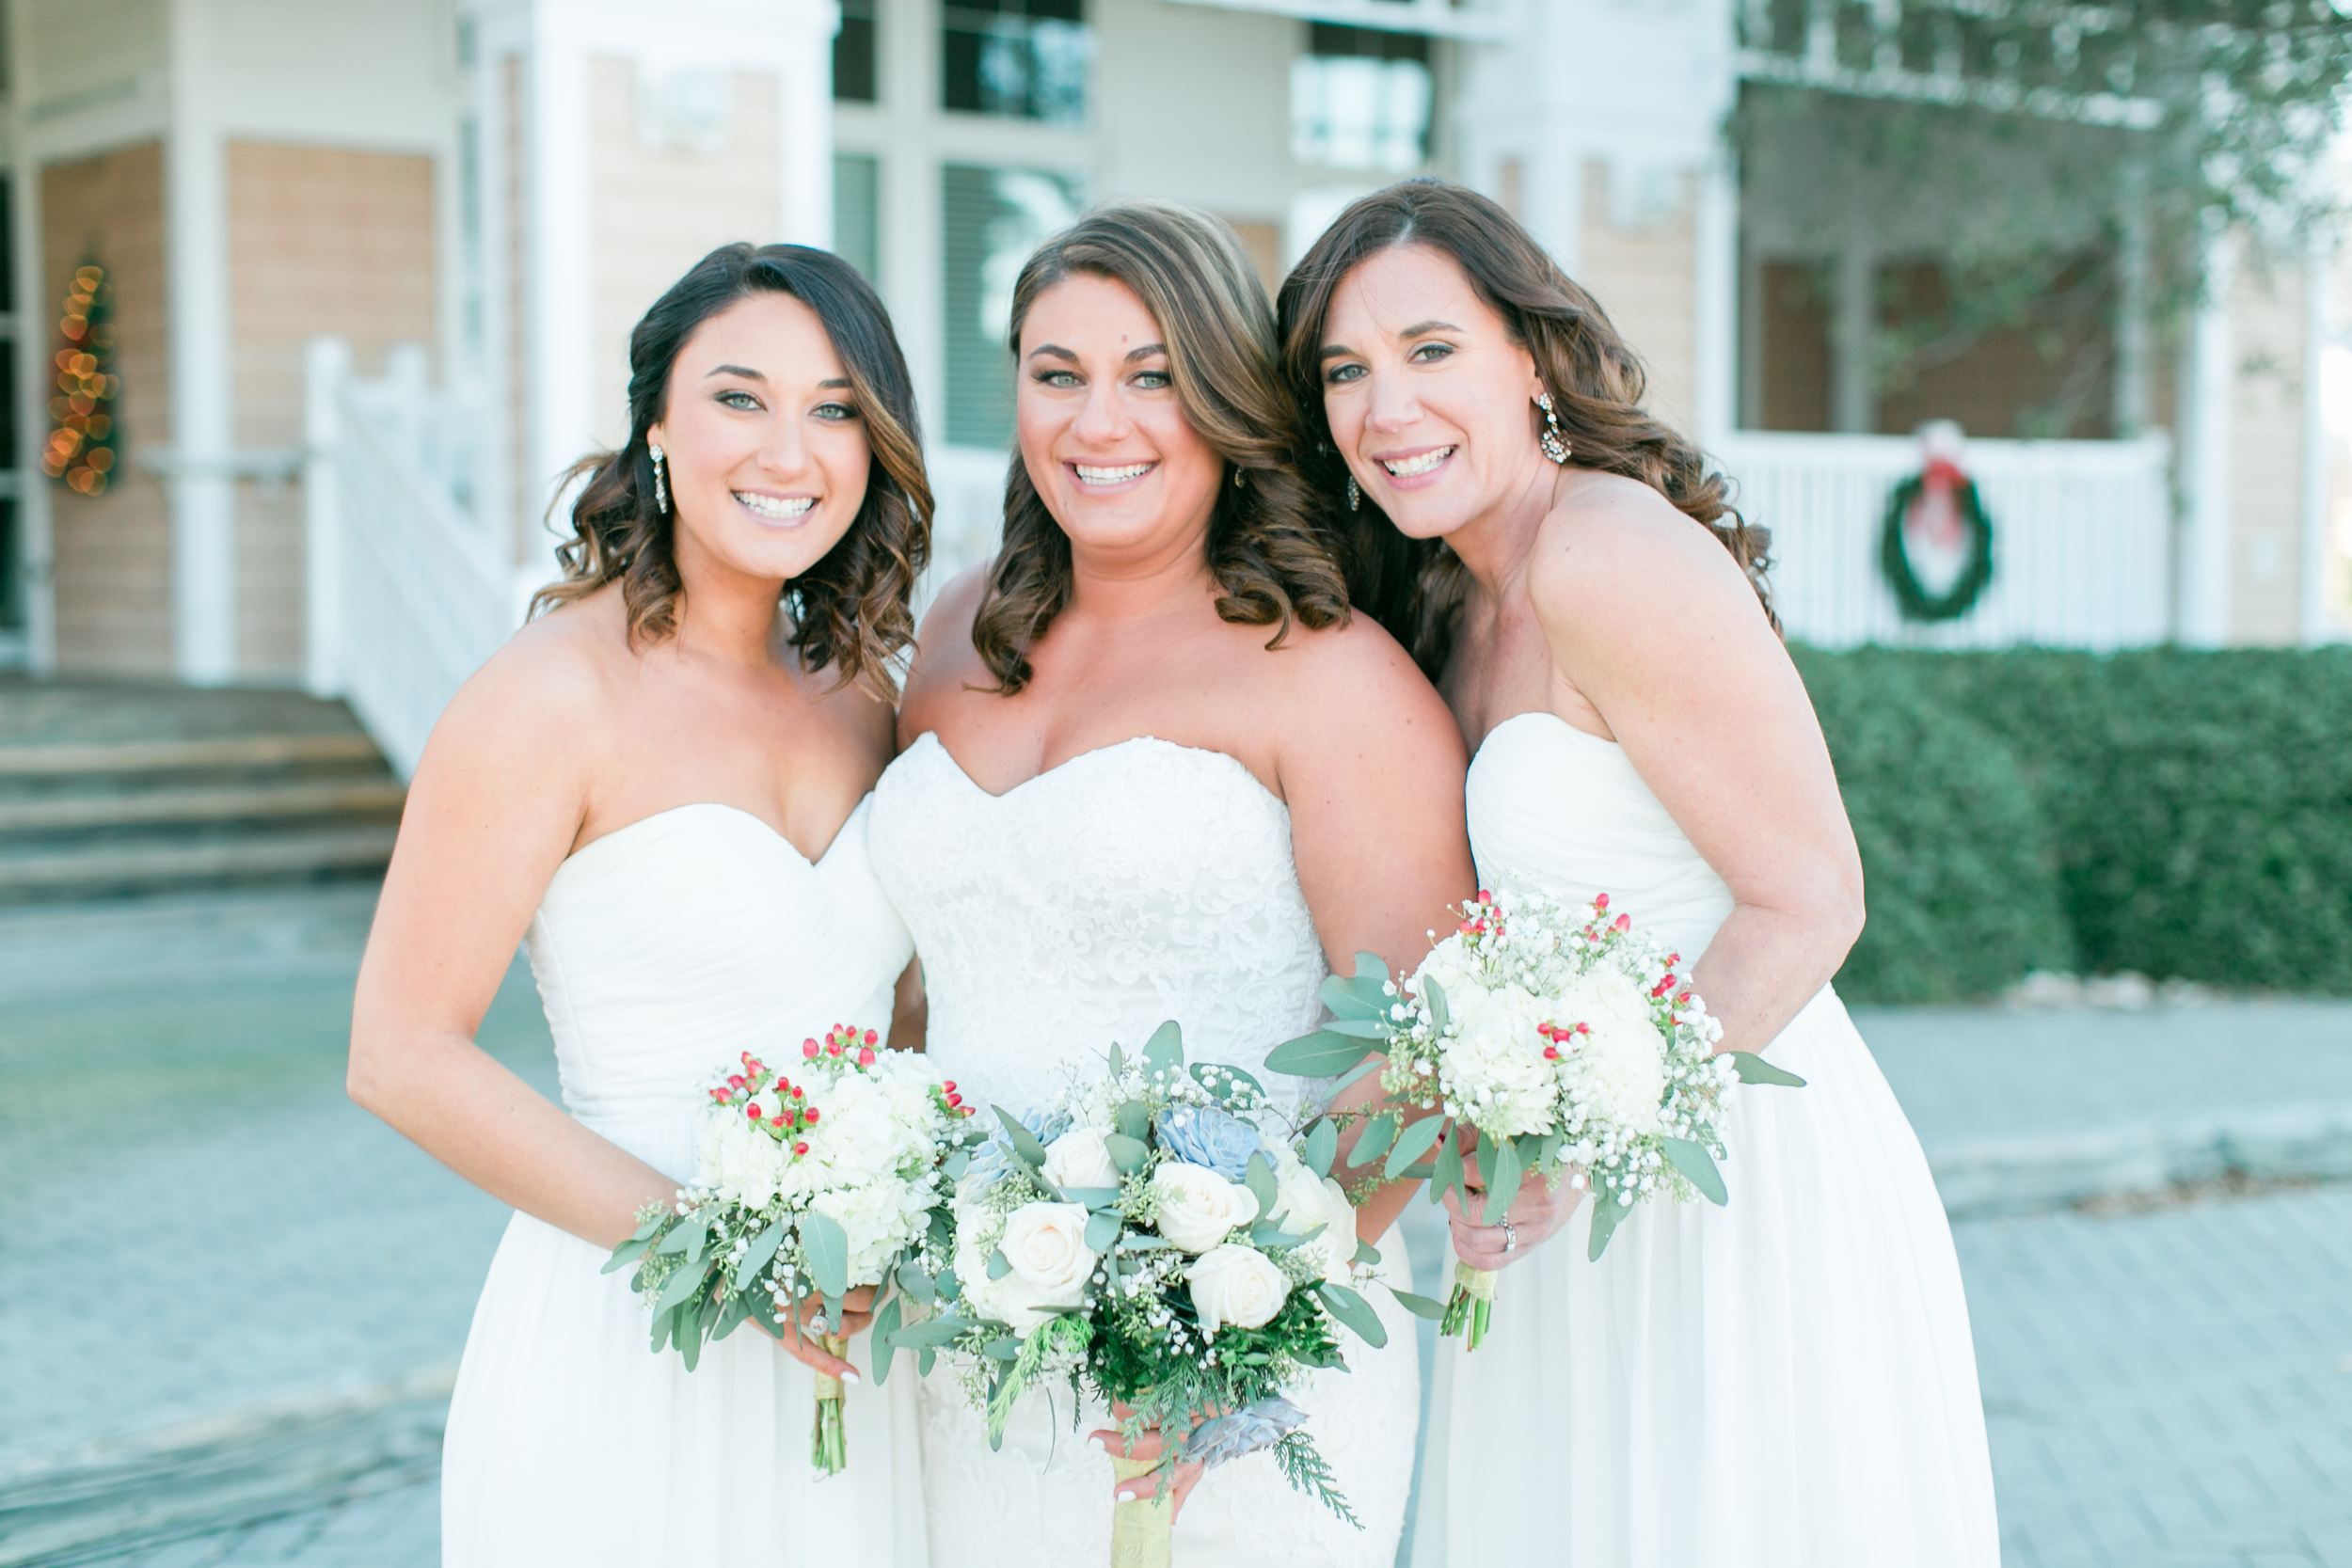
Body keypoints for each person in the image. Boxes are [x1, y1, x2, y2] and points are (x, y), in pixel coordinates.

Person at [1279, 179, 1999, 1567]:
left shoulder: (1606, 552)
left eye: (1431, 350)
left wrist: (1591, 1137)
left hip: (1728, 1179)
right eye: (1346, 372)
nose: (1387, 406)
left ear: (1532, 358)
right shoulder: (1450, 599)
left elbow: (1810, 896)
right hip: (1558, 1193)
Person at [865, 200, 1474, 1566]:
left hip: (1234, 1382)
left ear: (1227, 401)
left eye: (1153, 377)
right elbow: (918, 986)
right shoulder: (958, 629)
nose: (1101, 422)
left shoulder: (1330, 675)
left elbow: (1417, 1050)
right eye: (1058, 373)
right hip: (965, 1353)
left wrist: (1225, 1322)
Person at [347, 243, 932, 1568]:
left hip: (848, 1340)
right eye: (739, 398)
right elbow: (400, 1054)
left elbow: (898, 1016)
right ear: (657, 425)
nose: (788, 451)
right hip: (628, 1327)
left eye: (834, 409)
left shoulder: (864, 694)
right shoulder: (548, 694)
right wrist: (723, 1255)